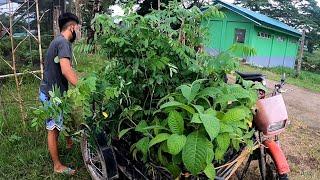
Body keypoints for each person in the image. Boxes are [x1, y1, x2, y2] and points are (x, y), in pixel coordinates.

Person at [39, 12, 79, 175]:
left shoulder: (57, 40)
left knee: (68, 116)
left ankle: (70, 142)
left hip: (50, 91)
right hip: (52, 95)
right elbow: (65, 69)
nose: (78, 31)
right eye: (78, 28)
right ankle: (57, 166)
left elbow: (64, 67)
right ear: (72, 27)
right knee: (53, 129)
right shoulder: (63, 43)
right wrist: (82, 87)